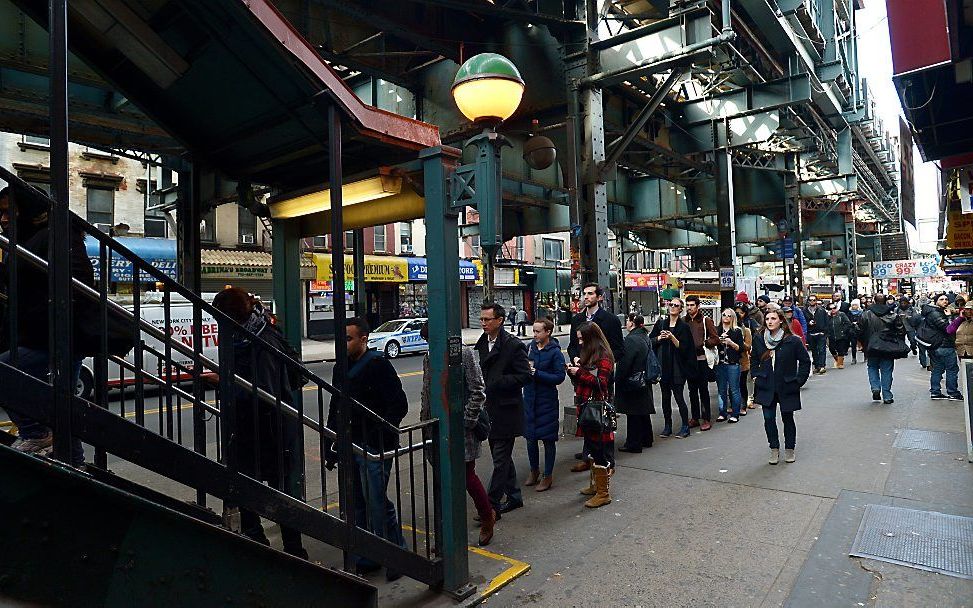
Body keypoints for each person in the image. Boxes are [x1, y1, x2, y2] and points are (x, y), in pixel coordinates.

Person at [213, 288, 308, 559]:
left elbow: (265, 391)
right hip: (256, 425)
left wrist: (234, 388)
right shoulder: (249, 334)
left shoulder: (259, 340)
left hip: (267, 426)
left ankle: (291, 548)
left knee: (276, 489)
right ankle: (261, 538)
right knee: (256, 485)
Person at [0, 185, 92, 466]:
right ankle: (75, 464)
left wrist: (37, 312)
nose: (3, 218)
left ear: (28, 209)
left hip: (58, 336)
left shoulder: (59, 235)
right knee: (59, 405)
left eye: (7, 211)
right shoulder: (27, 239)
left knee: (7, 374)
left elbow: (78, 285)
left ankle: (36, 432)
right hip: (42, 334)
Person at [325, 317, 409, 579]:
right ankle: (368, 554)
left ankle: (397, 554)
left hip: (373, 447)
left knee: (376, 502)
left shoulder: (377, 364)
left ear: (364, 339)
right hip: (350, 444)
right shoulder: (341, 367)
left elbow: (399, 405)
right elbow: (335, 404)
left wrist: (376, 436)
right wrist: (331, 441)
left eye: (348, 338)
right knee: (357, 503)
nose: (344, 343)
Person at [419, 323, 494, 546]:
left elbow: (478, 391)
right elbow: (427, 391)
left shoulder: (463, 353)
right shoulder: (429, 356)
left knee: (467, 476)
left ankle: (487, 516)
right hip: (436, 427)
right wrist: (425, 422)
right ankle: (447, 529)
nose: (429, 345)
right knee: (443, 479)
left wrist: (467, 422)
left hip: (460, 428)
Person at [474, 302, 531, 516]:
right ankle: (514, 496)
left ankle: (491, 505)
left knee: (500, 459)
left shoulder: (513, 345)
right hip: (489, 409)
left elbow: (525, 375)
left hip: (507, 410)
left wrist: (500, 381)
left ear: (500, 320)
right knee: (503, 457)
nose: (483, 323)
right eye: (481, 319)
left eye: (487, 319)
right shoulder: (482, 342)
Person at [568, 283, 624, 471]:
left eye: (590, 294)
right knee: (585, 416)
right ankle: (589, 456)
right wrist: (576, 357)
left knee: (600, 417)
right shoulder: (577, 320)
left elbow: (618, 349)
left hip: (600, 376)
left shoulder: (609, 320)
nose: (586, 297)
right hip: (582, 375)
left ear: (599, 297)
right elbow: (572, 345)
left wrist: (602, 364)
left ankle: (603, 461)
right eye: (584, 294)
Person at [751, 309, 811, 465]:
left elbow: (805, 361)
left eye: (773, 318)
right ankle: (774, 448)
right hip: (766, 385)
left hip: (787, 385)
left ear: (781, 321)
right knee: (768, 418)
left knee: (787, 418)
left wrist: (798, 381)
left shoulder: (792, 340)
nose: (770, 321)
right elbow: (754, 359)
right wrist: (756, 375)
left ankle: (790, 448)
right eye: (767, 319)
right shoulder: (759, 339)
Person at [567, 322, 616, 508]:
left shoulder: (603, 357)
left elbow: (601, 383)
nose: (579, 343)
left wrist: (579, 371)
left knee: (599, 450)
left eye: (582, 339)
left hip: (596, 410)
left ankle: (603, 493)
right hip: (587, 407)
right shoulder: (591, 355)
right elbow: (584, 380)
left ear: (590, 339)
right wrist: (574, 372)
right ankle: (596, 485)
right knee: (593, 449)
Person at [523, 318, 565, 491]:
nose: (534, 335)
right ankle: (534, 470)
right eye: (533, 331)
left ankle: (548, 475)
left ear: (548, 332)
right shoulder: (530, 347)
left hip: (546, 400)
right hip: (530, 398)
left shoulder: (555, 352)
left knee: (548, 439)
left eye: (538, 331)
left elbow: (559, 377)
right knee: (530, 438)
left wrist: (537, 373)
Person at [649, 298, 695, 438]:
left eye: (676, 306)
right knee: (665, 398)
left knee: (679, 397)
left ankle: (685, 426)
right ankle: (667, 426)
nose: (673, 307)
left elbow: (686, 349)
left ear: (681, 309)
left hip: (677, 368)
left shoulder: (684, 327)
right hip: (663, 366)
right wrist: (659, 338)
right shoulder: (661, 323)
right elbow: (650, 341)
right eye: (671, 305)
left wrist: (673, 338)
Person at [859, 294, 908, 404]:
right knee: (887, 370)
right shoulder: (893, 315)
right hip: (888, 346)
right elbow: (901, 330)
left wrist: (864, 343)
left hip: (871, 346)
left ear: (873, 300)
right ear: (886, 301)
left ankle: (875, 387)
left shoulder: (866, 314)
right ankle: (887, 395)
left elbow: (859, 330)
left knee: (872, 367)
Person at [616, 314, 654, 452]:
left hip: (633, 380)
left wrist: (618, 378)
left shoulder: (631, 340)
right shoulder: (644, 337)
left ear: (632, 323)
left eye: (627, 320)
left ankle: (633, 443)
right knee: (643, 412)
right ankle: (647, 438)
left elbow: (625, 363)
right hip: (643, 379)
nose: (626, 323)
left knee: (633, 414)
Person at [683, 295, 719, 431]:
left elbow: (716, 339)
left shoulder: (705, 320)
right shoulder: (684, 321)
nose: (690, 308)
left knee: (703, 390)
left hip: (702, 359)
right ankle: (695, 417)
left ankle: (706, 418)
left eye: (692, 305)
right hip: (689, 361)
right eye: (688, 305)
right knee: (692, 390)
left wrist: (703, 344)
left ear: (698, 306)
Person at [923, 293, 964, 400]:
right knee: (952, 369)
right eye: (941, 299)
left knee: (937, 368)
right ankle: (953, 392)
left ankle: (935, 392)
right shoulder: (936, 313)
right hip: (944, 345)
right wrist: (950, 316)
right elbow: (948, 329)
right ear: (936, 301)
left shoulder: (933, 312)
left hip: (935, 345)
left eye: (946, 299)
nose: (945, 301)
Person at [714, 308, 745, 423]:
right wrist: (718, 341)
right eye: (724, 315)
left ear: (733, 318)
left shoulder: (736, 331)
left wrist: (731, 343)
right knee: (721, 389)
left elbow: (741, 348)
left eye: (729, 315)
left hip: (733, 364)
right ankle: (722, 412)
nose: (726, 317)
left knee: (734, 389)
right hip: (720, 363)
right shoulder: (717, 330)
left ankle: (735, 413)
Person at [734, 302, 756, 413]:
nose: (738, 315)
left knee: (747, 379)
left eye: (741, 313)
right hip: (731, 359)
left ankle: (748, 400)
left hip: (746, 356)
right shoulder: (727, 326)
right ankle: (735, 404)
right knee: (733, 383)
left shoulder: (749, 324)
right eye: (736, 312)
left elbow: (750, 343)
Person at [802, 295, 829, 374]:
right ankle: (817, 366)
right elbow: (803, 322)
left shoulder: (821, 310)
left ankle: (822, 366)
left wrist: (825, 332)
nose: (812, 301)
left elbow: (826, 321)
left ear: (816, 301)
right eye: (810, 300)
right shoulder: (805, 311)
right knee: (814, 350)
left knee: (822, 350)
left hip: (821, 333)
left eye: (814, 300)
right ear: (808, 301)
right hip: (811, 333)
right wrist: (808, 323)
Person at [825, 302, 853, 369]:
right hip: (831, 336)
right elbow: (825, 324)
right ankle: (838, 360)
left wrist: (843, 330)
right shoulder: (827, 316)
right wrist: (828, 316)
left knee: (840, 349)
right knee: (832, 349)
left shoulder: (841, 314)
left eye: (834, 308)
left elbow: (848, 323)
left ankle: (840, 363)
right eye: (830, 308)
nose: (833, 310)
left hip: (841, 335)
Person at [848, 299, 864, 364]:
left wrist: (858, 323)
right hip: (852, 330)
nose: (854, 306)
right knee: (853, 344)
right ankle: (854, 358)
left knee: (863, 343)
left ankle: (866, 356)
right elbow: (847, 320)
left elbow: (864, 320)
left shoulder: (862, 312)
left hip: (860, 330)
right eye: (853, 305)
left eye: (855, 305)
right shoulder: (849, 312)